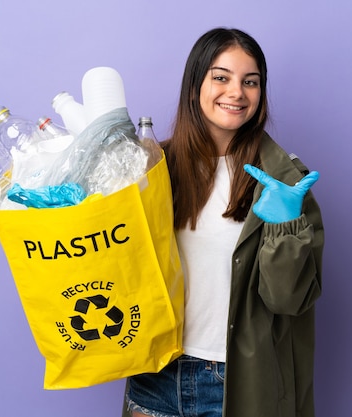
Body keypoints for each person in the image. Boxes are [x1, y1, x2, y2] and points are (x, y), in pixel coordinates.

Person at [123, 27, 324, 417]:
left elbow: (289, 299)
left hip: (236, 382)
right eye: (221, 77)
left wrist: (285, 229)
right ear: (195, 84)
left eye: (251, 82)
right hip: (154, 375)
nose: (237, 92)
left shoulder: (284, 182)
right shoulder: (152, 169)